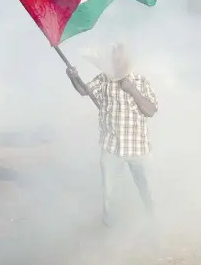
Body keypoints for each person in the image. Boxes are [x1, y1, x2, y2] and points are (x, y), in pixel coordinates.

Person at [66, 43, 158, 227]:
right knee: (109, 195)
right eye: (115, 59)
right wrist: (74, 79)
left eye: (122, 58)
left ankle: (154, 223)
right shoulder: (104, 79)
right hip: (111, 148)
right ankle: (110, 229)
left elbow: (150, 111)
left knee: (148, 190)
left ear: (129, 61)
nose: (118, 62)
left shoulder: (140, 81)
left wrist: (132, 90)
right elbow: (85, 91)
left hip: (138, 148)